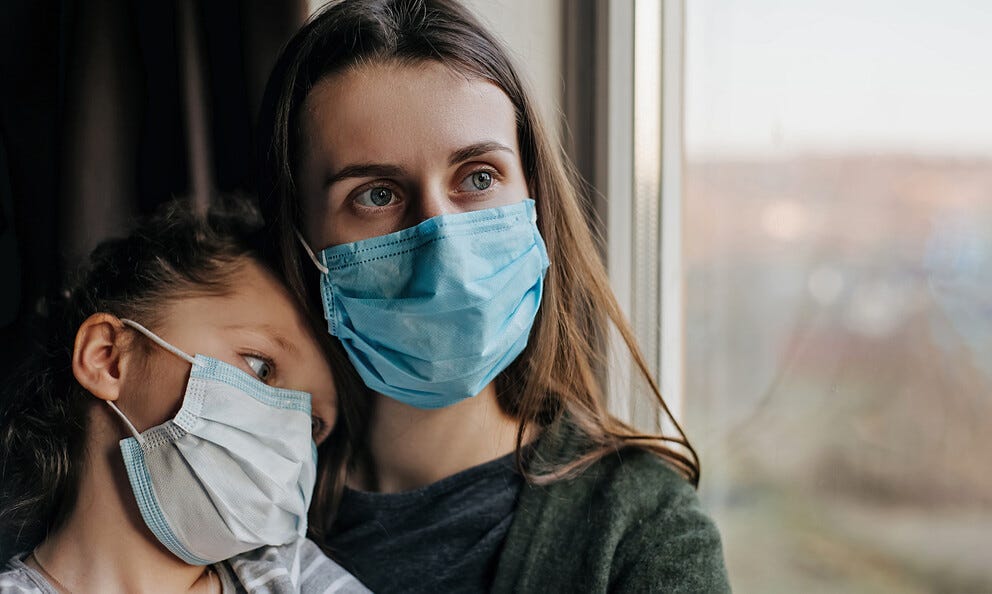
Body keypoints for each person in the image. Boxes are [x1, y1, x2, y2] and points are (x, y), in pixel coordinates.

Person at [256, 0, 731, 591]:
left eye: (478, 177)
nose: (442, 246)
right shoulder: (239, 511)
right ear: (300, 237)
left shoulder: (642, 530)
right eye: (376, 194)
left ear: (534, 196)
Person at [0, 202, 369, 593]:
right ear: (107, 359)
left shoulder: (294, 575)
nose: (289, 430)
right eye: (261, 367)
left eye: (312, 423)